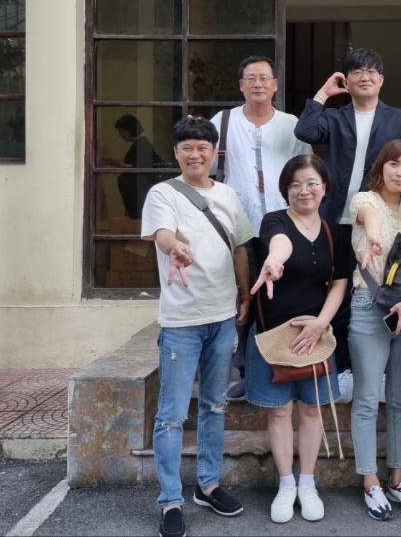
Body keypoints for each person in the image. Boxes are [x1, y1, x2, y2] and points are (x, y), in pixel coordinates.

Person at [140, 117, 254, 537]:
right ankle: (170, 500)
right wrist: (175, 247)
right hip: (181, 322)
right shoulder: (163, 193)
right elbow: (162, 234)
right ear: (176, 153)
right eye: (186, 147)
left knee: (214, 405)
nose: (195, 154)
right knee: (171, 416)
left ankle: (208, 485)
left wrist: (244, 294)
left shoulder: (227, 194)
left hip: (222, 318)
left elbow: (239, 246)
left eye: (202, 147)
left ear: (213, 153)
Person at [294, 48, 401, 400]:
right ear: (347, 80)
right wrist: (323, 93)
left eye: (372, 71)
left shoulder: (399, 119)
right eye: (357, 72)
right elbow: (305, 129)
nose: (365, 77)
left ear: (381, 79)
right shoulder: (335, 117)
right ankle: (343, 369)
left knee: (379, 291)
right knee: (339, 292)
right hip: (335, 217)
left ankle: (378, 372)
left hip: (378, 219)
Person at [246, 154, 351, 524]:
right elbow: (280, 244)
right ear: (285, 189)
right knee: (278, 411)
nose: (303, 191)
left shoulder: (335, 233)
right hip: (273, 334)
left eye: (311, 183)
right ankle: (285, 483)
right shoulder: (274, 221)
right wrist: (274, 262)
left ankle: (307, 482)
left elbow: (340, 282)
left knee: (311, 409)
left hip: (316, 336)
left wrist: (321, 323)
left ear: (324, 188)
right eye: (295, 184)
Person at [210, 55, 311, 401]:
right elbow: (204, 167)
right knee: (245, 297)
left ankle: (287, 367)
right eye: (251, 78)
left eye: (264, 78)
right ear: (241, 85)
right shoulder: (223, 121)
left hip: (283, 225)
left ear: (275, 85)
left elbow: (304, 170)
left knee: (281, 298)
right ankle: (246, 371)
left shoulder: (291, 124)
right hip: (238, 226)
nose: (257, 84)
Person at [347, 140, 401, 521]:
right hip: (369, 305)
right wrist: (375, 237)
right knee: (366, 398)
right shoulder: (364, 199)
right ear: (381, 166)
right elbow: (369, 218)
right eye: (394, 164)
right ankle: (370, 481)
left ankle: (398, 478)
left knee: (400, 399)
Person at [112, 114, 165, 219]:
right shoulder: (141, 144)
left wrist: (119, 164)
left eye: (121, 131)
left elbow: (140, 167)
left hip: (141, 193)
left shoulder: (142, 145)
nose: (120, 135)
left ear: (128, 130)